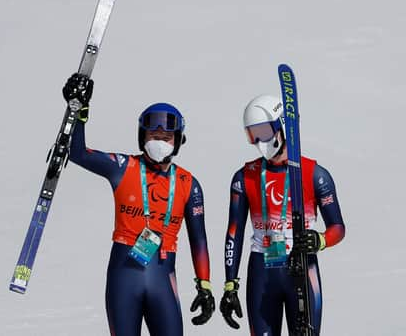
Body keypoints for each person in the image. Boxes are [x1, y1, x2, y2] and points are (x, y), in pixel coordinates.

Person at [63, 73, 215, 336]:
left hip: (163, 276)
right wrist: (79, 109)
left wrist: (205, 285)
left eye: (166, 137)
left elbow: (198, 239)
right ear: (141, 137)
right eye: (153, 135)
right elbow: (77, 152)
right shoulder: (123, 167)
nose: (158, 142)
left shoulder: (188, 183)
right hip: (124, 274)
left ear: (178, 141)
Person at [219, 94, 346, 335]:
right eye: (252, 134)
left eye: (264, 131)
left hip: (301, 268)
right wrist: (230, 283)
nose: (259, 141)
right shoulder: (245, 177)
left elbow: (338, 227)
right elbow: (234, 232)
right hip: (261, 272)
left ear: (282, 126)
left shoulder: (315, 174)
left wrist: (319, 240)